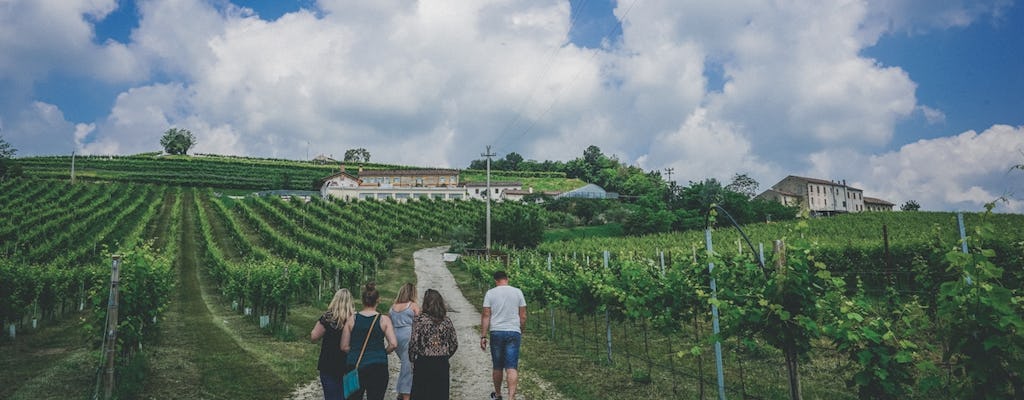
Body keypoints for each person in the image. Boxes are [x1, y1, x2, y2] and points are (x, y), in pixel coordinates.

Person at [341, 282, 398, 400]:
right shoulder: (384, 320)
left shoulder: (352, 319)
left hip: (355, 366)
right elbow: (393, 344)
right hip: (378, 366)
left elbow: (344, 346)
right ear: (378, 300)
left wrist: (356, 351)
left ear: (362, 300)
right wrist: (383, 352)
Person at [480, 271, 527, 400]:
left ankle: (498, 394)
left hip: (496, 331)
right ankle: (511, 397)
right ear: (507, 279)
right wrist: (521, 329)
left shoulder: (490, 293)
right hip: (513, 331)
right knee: (512, 366)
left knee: (498, 366)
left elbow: (486, 315)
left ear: (496, 280)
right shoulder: (518, 292)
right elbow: (522, 315)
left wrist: (483, 336)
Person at [409, 289, 459, 400]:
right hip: (441, 362)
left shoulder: (420, 320)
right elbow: (454, 343)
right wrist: (445, 354)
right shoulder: (446, 321)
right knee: (440, 394)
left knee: (422, 394)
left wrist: (412, 359)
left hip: (424, 361)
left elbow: (413, 343)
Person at [311, 289, 354, 400]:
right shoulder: (354, 319)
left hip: (328, 363)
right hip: (348, 364)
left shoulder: (327, 318)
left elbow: (314, 336)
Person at [389, 283, 419, 400]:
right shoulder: (413, 306)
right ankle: (406, 394)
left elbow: (389, 322)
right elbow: (420, 322)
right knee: (408, 367)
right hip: (408, 337)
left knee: (405, 363)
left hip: (396, 337)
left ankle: (403, 393)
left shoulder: (393, 307)